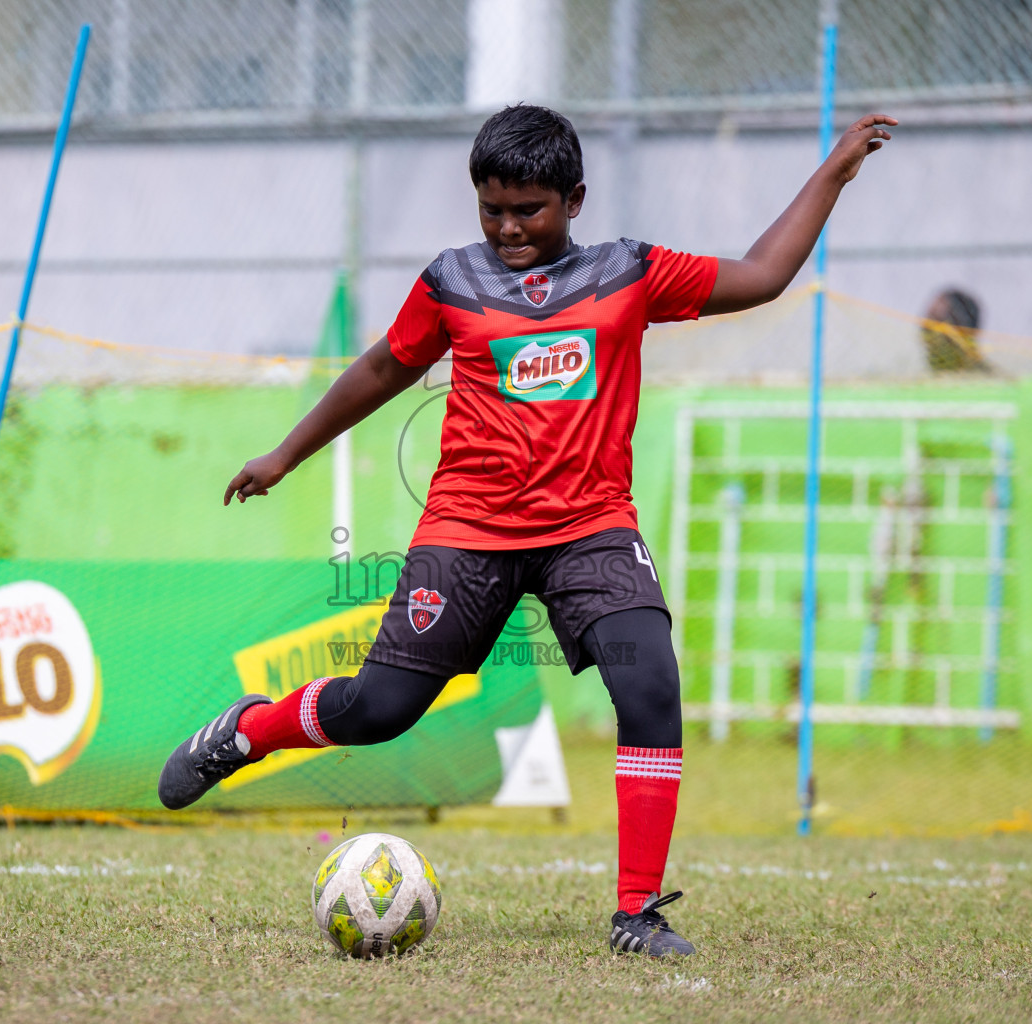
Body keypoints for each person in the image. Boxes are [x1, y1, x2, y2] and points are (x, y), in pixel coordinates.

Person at [158, 104, 895, 956]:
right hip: (468, 529)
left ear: (574, 199)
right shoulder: (451, 283)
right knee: (378, 710)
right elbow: (381, 368)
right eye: (492, 208)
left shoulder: (630, 273)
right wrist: (287, 453)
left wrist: (834, 171)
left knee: (649, 683)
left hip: (592, 528)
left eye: (529, 209)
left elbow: (764, 275)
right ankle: (247, 732)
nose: (508, 227)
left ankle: (637, 912)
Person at [920, 287, 989, 373]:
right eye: (926, 328)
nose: (928, 339)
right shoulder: (935, 378)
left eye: (937, 322)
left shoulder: (982, 379)